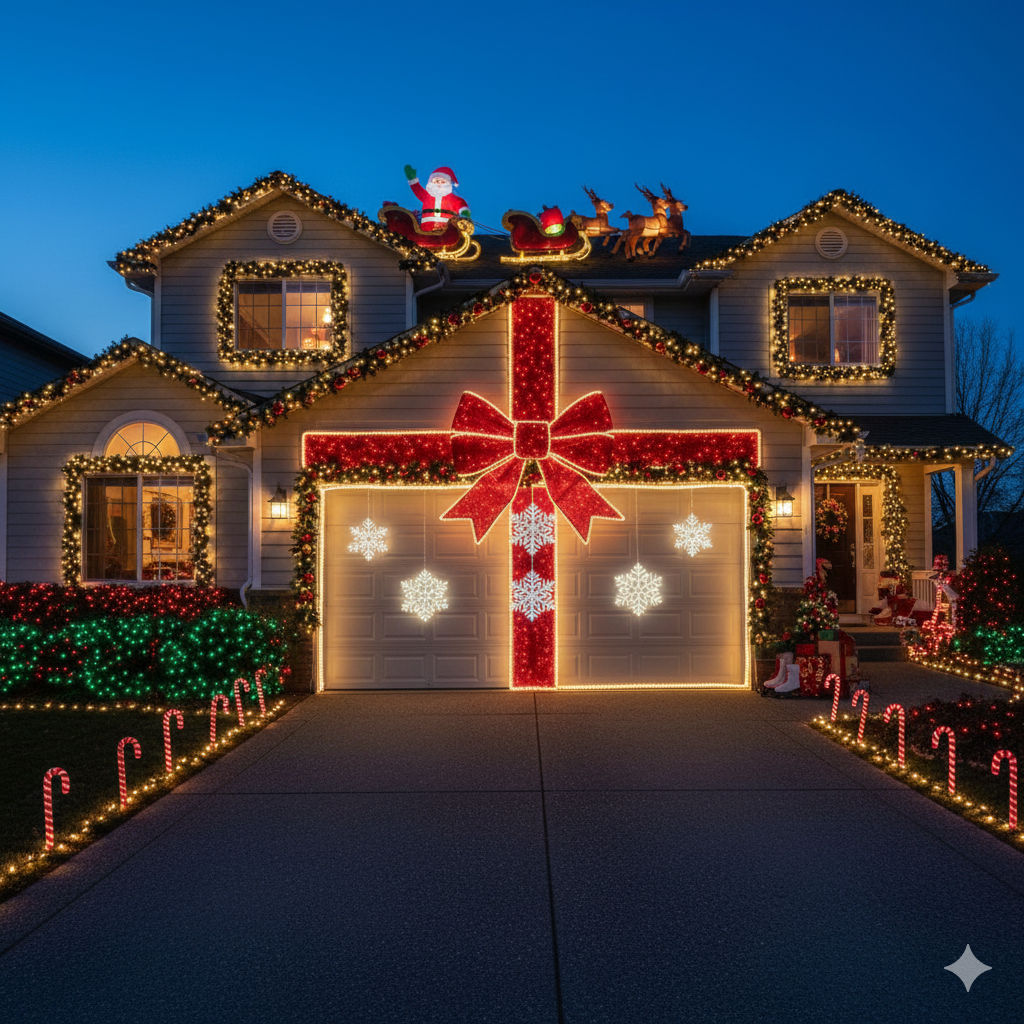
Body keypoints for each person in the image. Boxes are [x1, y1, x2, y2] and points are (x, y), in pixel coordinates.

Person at [404, 165, 470, 230]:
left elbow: (461, 204)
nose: (439, 184)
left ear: (448, 183)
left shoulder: (454, 199)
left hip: (448, 230)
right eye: (437, 181)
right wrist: (412, 179)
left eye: (443, 181)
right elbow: (418, 190)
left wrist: (465, 215)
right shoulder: (427, 197)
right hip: (426, 229)